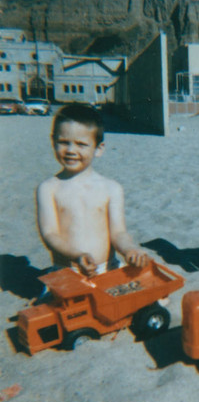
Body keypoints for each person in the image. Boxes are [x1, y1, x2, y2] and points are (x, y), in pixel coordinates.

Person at [36, 104, 149, 278]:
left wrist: (129, 249)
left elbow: (118, 232)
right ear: (53, 141)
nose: (71, 150)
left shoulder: (111, 188)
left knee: (154, 296)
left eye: (81, 144)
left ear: (99, 149)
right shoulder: (49, 188)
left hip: (108, 269)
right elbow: (50, 234)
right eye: (64, 142)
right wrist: (77, 255)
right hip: (67, 271)